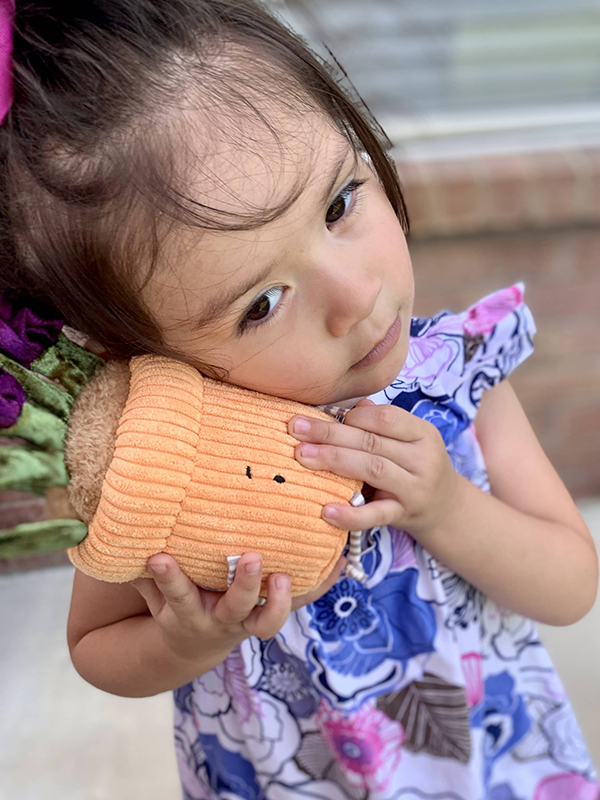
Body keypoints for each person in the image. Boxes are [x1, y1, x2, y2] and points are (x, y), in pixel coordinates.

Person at [0, 1, 597, 798]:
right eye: (262, 304)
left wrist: (446, 508)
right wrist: (185, 641)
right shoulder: (160, 467)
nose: (355, 296)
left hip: (485, 766)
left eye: (340, 204)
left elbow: (569, 585)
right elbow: (96, 647)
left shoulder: (456, 379)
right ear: (130, 349)